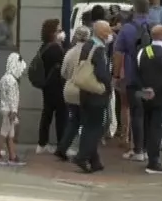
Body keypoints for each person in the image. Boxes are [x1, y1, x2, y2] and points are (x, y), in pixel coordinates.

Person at [71, 20, 112, 173]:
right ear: (101, 33)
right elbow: (101, 73)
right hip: (96, 93)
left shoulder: (87, 45)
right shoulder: (99, 49)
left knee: (89, 125)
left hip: (85, 92)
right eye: (108, 30)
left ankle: (95, 161)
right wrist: (109, 85)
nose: (110, 33)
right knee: (95, 127)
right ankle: (82, 156)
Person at [135, 22, 162, 174]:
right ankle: (154, 162)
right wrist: (155, 90)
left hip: (144, 96)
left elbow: (137, 73)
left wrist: (145, 88)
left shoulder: (142, 52)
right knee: (157, 128)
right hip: (161, 97)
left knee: (146, 124)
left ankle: (145, 152)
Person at [113, 0, 151, 158]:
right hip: (151, 82)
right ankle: (148, 150)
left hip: (133, 80)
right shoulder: (156, 26)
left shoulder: (127, 29)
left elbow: (118, 54)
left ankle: (137, 150)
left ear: (134, 10)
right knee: (149, 114)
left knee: (137, 113)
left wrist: (116, 76)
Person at [53, 24, 88, 161]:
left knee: (74, 120)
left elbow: (63, 72)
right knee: (87, 122)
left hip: (69, 90)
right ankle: (82, 152)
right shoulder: (90, 52)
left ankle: (62, 148)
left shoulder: (70, 52)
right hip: (84, 91)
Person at [33, 19, 67, 154]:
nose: (61, 33)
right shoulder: (55, 48)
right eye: (59, 31)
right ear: (52, 33)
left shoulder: (44, 47)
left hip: (47, 86)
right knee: (60, 115)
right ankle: (61, 145)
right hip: (57, 86)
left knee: (47, 114)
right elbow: (63, 64)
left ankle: (42, 143)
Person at [0, 51, 26, 166]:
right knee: (4, 132)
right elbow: (13, 98)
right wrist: (14, 111)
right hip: (9, 111)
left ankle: (12, 156)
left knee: (10, 133)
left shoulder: (4, 78)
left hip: (4, 108)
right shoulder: (12, 81)